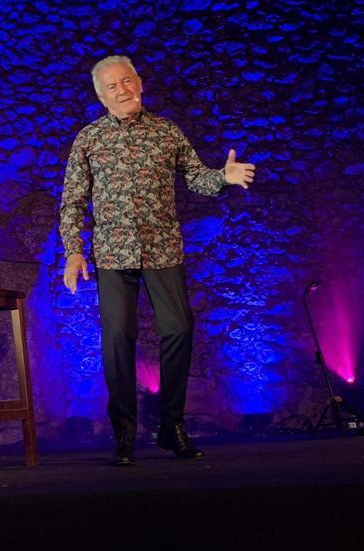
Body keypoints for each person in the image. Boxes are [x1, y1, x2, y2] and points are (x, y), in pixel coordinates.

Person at [59, 55, 256, 465]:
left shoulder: (166, 132)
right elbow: (73, 200)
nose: (121, 90)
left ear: (140, 83)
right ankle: (124, 434)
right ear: (100, 96)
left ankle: (171, 425)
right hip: (113, 252)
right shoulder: (89, 139)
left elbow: (197, 177)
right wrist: (74, 251)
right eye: (111, 87)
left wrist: (224, 176)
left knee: (179, 328)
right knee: (117, 338)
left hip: (162, 247)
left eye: (126, 81)